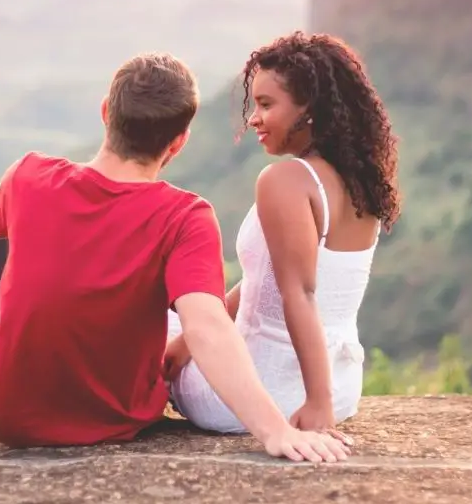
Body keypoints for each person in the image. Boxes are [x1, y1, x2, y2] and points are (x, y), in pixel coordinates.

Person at [0, 52, 350, 464]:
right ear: (179, 141)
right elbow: (207, 327)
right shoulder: (185, 216)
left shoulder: (29, 175)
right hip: (117, 416)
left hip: (7, 414)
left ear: (105, 113)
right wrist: (275, 430)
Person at [164, 32, 401, 434]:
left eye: (266, 104)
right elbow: (267, 281)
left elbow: (300, 294)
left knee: (150, 311)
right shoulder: (359, 180)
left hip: (259, 393)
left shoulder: (286, 181)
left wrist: (317, 404)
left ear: (309, 109)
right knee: (186, 322)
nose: (253, 117)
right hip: (342, 385)